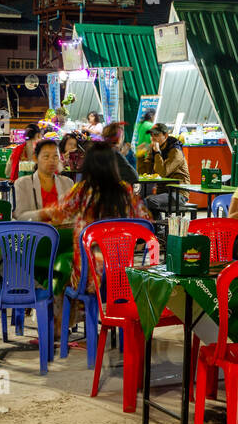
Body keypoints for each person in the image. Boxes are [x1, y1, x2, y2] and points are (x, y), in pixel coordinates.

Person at [38, 144, 150, 320]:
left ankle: (61, 328)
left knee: (58, 272)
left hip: (89, 279)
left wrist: (30, 215)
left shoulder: (83, 190)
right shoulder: (126, 192)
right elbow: (146, 225)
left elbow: (58, 213)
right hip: (121, 277)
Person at [136, 122, 189, 216]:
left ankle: (158, 226)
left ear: (165, 135)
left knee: (148, 201)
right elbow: (144, 173)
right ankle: (156, 226)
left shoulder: (176, 151)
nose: (153, 138)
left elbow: (162, 173)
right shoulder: (154, 149)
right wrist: (140, 157)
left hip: (178, 193)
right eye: (151, 135)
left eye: (156, 135)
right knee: (138, 199)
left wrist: (157, 153)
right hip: (162, 192)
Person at [14, 139, 74, 220]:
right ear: (35, 158)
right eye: (46, 156)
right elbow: (20, 216)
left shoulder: (68, 183)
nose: (51, 161)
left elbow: (73, 213)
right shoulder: (22, 184)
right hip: (35, 232)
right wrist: (44, 213)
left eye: (55, 156)